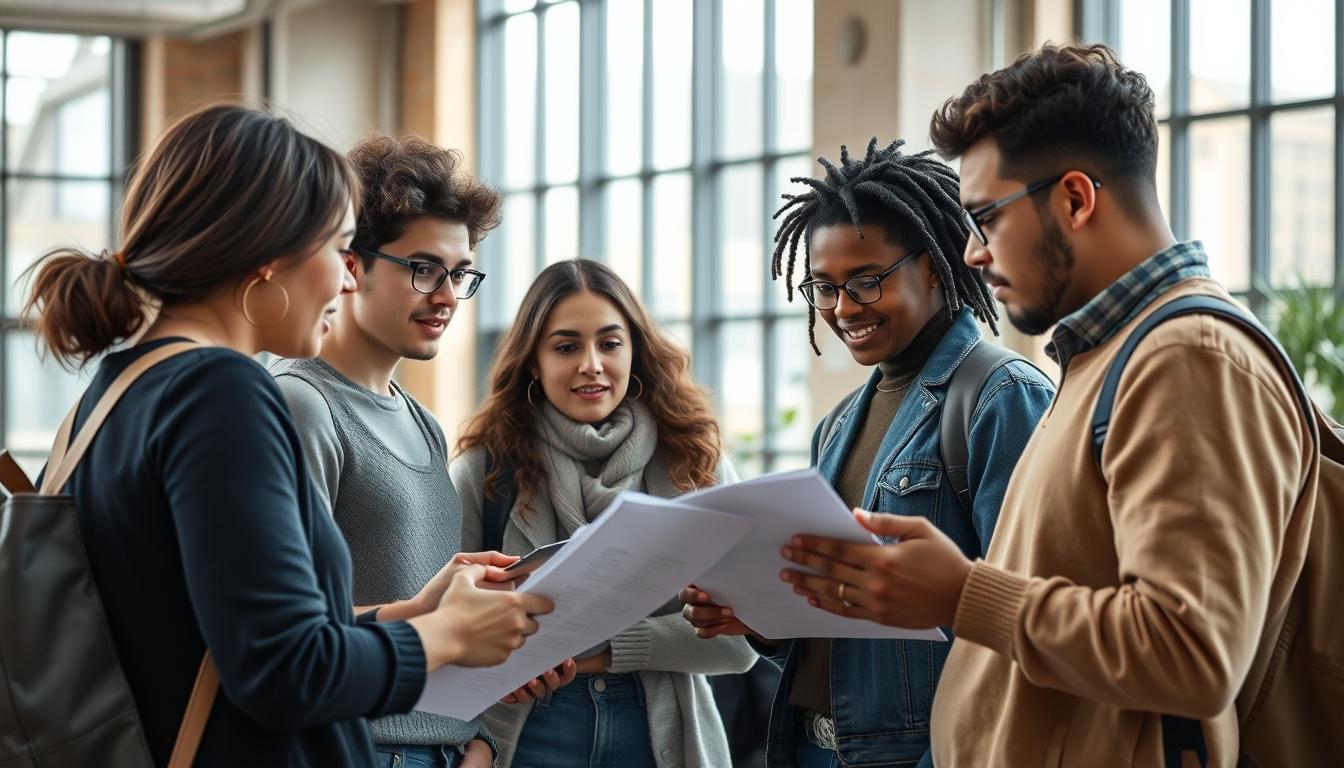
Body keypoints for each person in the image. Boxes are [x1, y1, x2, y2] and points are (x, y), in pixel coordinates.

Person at [776, 45, 1319, 767]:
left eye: (985, 219)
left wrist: (965, 593)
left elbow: (1192, 653)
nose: (971, 252)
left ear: (1074, 198)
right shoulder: (1111, 356)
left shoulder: (1187, 358)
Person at [21, 103, 551, 766]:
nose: (342, 276)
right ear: (268, 258)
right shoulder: (218, 392)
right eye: (336, 247)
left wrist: (414, 612)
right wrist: (442, 635)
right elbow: (285, 672)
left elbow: (225, 636)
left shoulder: (112, 394)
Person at [681, 138, 1055, 767]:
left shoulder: (1001, 398)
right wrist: (759, 617)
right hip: (814, 746)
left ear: (935, 265)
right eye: (823, 288)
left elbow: (1020, 620)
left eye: (866, 281)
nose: (843, 309)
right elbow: (841, 613)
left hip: (919, 751)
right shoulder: (838, 426)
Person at [270, 133, 573, 768]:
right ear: (351, 265)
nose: (446, 297)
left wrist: (487, 710)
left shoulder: (425, 423)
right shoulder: (301, 406)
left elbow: (432, 623)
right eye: (423, 269)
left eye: (460, 274)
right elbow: (288, 635)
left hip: (447, 750)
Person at [450, 258, 758, 767]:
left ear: (634, 351)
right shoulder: (484, 468)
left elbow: (739, 644)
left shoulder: (694, 462)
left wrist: (592, 650)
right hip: (526, 736)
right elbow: (446, 627)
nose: (591, 364)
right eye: (566, 346)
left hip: (662, 733)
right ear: (534, 362)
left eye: (610, 343)